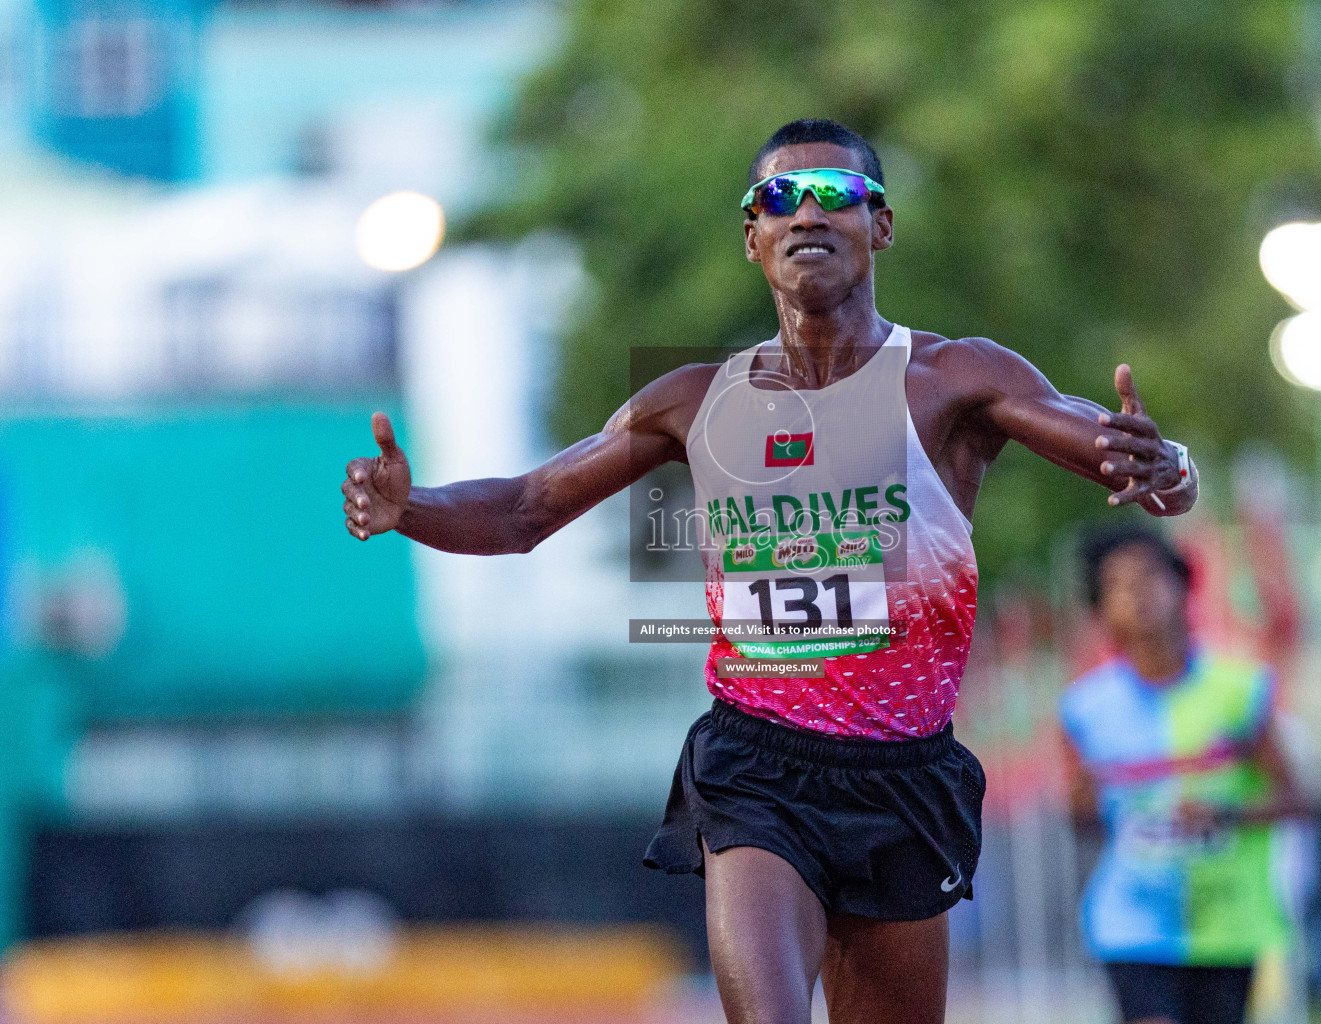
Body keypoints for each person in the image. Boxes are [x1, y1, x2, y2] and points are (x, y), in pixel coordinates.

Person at [341, 118, 1198, 1024]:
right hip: (759, 768)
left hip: (905, 774)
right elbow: (523, 511)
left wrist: (1165, 465)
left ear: (882, 224)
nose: (807, 214)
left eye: (836, 194)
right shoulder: (696, 399)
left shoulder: (953, 379)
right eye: (779, 199)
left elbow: (1128, 462)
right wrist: (411, 509)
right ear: (752, 237)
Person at [1059, 526, 1311, 1024]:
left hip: (1227, 923)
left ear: (1183, 586)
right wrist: (1086, 800)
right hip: (1131, 922)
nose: (1137, 593)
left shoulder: (1240, 690)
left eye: (1150, 575)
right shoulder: (1084, 708)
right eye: (1117, 584)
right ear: (1101, 609)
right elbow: (1081, 820)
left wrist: (1225, 813)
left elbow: (1299, 798)